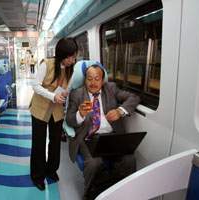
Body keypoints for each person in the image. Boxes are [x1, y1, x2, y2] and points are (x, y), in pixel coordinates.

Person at [65, 64, 140, 199]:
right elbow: (69, 120)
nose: (93, 83)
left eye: (97, 79)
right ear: (84, 80)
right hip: (88, 137)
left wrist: (120, 111)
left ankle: (122, 193)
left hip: (111, 136)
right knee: (94, 163)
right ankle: (90, 195)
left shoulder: (111, 89)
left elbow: (134, 98)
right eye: (89, 79)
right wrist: (79, 115)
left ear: (102, 80)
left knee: (129, 159)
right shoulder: (77, 94)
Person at [29, 37, 78, 190]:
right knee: (39, 142)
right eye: (70, 56)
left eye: (74, 56)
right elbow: (35, 85)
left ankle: (51, 170)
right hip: (40, 108)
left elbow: (67, 88)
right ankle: (37, 175)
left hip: (57, 109)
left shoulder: (71, 69)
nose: (73, 59)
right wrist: (53, 96)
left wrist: (64, 95)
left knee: (55, 141)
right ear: (62, 54)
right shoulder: (47, 64)